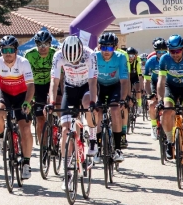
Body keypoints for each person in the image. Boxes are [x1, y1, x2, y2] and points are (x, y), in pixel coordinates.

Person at [48, 36, 98, 188]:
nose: (74, 64)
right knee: (65, 130)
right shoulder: (58, 56)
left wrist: (92, 103)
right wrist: (51, 102)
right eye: (71, 62)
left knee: (87, 103)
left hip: (86, 87)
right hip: (69, 88)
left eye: (76, 61)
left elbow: (93, 82)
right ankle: (67, 171)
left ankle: (93, 138)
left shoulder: (90, 55)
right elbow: (54, 81)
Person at [0, 35, 35, 180]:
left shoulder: (23, 62)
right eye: (4, 49)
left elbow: (30, 85)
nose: (7, 53)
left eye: (10, 50)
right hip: (4, 93)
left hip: (21, 96)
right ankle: (1, 139)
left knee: (25, 128)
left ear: (16, 51)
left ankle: (26, 163)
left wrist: (27, 102)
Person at [158, 34, 183, 167]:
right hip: (171, 87)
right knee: (166, 111)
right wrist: (160, 100)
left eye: (178, 51)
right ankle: (170, 142)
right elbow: (161, 81)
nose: (175, 54)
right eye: (172, 51)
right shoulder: (164, 59)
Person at [92, 32, 129, 163]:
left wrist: (123, 99)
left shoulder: (121, 57)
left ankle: (118, 149)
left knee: (115, 110)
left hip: (115, 86)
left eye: (110, 48)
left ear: (115, 47)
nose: (106, 51)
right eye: (103, 47)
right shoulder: (94, 57)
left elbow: (124, 81)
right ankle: (97, 146)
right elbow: (91, 80)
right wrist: (93, 99)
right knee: (98, 112)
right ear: (99, 47)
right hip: (99, 86)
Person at [24, 30, 57, 147]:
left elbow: (61, 76)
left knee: (58, 110)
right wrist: (30, 96)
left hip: (52, 84)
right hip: (36, 86)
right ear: (36, 44)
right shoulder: (29, 55)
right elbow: (26, 78)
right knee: (40, 118)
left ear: (50, 44)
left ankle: (58, 132)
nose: (43, 47)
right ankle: (43, 147)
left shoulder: (56, 54)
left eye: (46, 44)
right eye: (40, 44)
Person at [144, 38, 167, 139]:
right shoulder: (150, 61)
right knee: (152, 104)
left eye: (164, 52)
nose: (161, 54)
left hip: (167, 83)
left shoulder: (170, 60)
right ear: (155, 52)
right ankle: (154, 126)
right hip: (154, 83)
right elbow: (146, 81)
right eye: (159, 52)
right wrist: (149, 95)